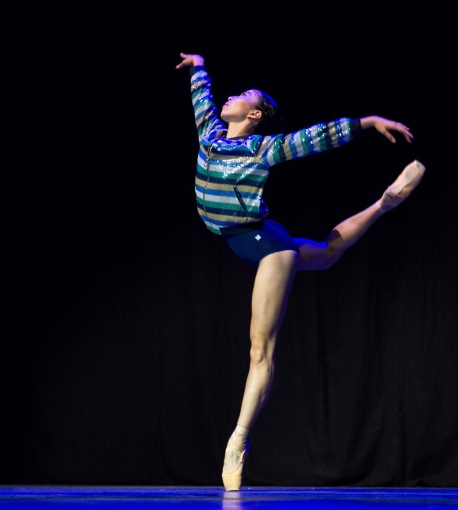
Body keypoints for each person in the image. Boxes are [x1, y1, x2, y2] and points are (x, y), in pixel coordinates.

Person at [175, 52, 426, 491]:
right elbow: (202, 96)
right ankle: (385, 203)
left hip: (266, 247)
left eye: (243, 95)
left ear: (253, 114)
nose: (230, 96)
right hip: (251, 235)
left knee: (260, 348)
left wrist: (365, 121)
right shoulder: (211, 132)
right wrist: (198, 66)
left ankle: (238, 439)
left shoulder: (263, 147)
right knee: (328, 254)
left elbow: (315, 138)